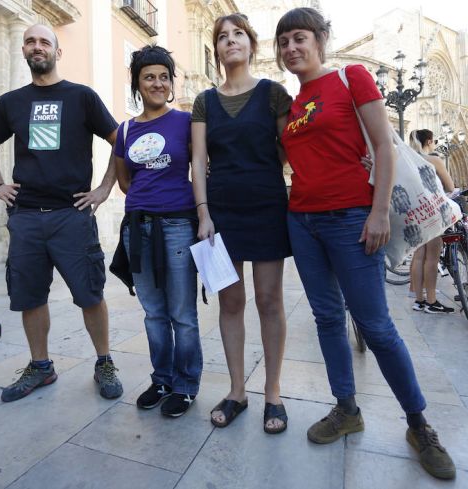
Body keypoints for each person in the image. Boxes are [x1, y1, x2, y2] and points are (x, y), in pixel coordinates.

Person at [276, 7, 455, 480]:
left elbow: (381, 145)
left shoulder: (351, 77)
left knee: (375, 327)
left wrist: (377, 213)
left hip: (352, 219)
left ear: (319, 40)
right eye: (283, 42)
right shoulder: (293, 107)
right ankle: (346, 408)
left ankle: (419, 423)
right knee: (328, 318)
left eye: (299, 38)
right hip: (304, 222)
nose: (291, 48)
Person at [0, 24, 123, 403]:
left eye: (45, 41)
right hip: (25, 216)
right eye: (30, 41)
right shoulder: (10, 102)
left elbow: (119, 140)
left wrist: (105, 188)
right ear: (24, 50)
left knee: (90, 293)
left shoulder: (82, 97)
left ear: (58, 52)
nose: (37, 46)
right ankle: (41, 367)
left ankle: (104, 362)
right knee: (30, 296)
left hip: (71, 215)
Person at [192, 13, 292, 433]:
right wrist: (203, 214)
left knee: (269, 300)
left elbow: (290, 149)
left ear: (252, 45)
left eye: (238, 35)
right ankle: (237, 391)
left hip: (267, 206)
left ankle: (273, 392)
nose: (230, 41)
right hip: (221, 213)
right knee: (231, 303)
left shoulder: (273, 94)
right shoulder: (204, 101)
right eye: (222, 37)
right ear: (216, 49)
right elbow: (198, 161)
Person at [114, 45, 202, 417]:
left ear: (171, 83)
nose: (157, 82)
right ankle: (161, 378)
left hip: (179, 224)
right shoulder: (126, 129)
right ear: (137, 82)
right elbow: (123, 180)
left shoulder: (186, 121)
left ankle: (185, 385)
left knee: (182, 312)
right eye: (149, 76)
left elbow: (201, 167)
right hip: (138, 227)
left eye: (164, 76)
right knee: (153, 312)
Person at [409, 129, 455, 314]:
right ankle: (432, 301)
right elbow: (450, 186)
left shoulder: (408, 160)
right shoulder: (434, 160)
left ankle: (419, 300)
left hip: (414, 213)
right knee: (432, 258)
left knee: (419, 256)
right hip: (433, 212)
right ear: (429, 141)